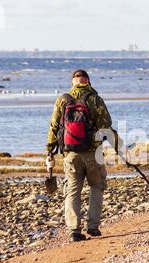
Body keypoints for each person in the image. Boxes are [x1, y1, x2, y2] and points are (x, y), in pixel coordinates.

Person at [45, 69, 121, 242]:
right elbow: (106, 126)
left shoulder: (62, 100)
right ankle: (93, 226)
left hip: (70, 154)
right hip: (94, 153)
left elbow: (54, 127)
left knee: (72, 190)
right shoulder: (95, 99)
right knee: (97, 186)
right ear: (88, 82)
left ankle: (74, 230)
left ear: (72, 82)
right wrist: (119, 148)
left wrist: (50, 150)